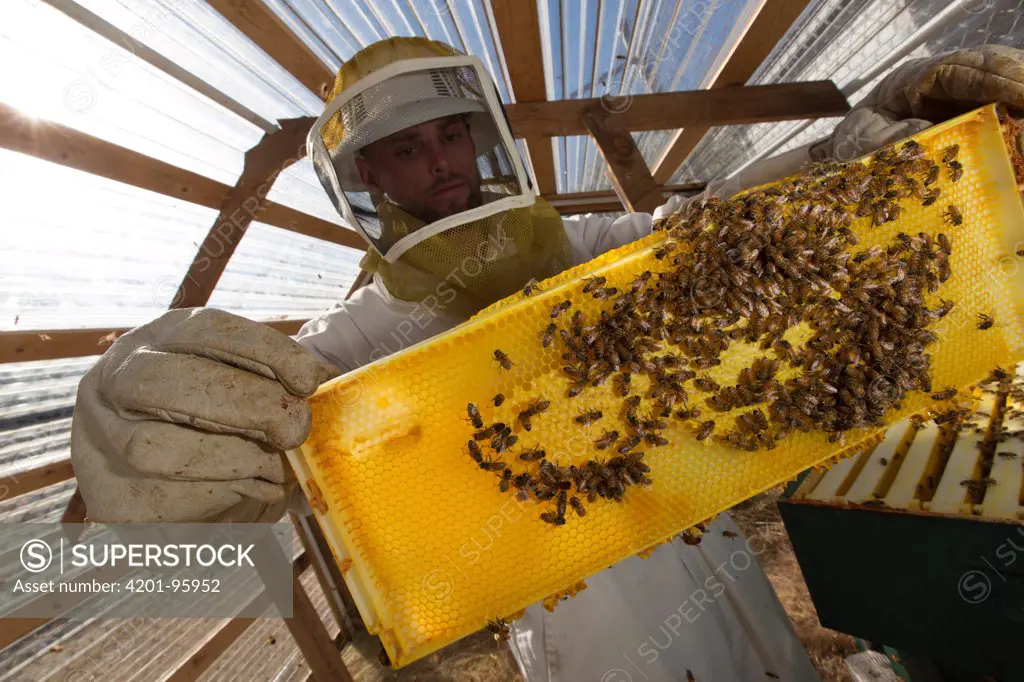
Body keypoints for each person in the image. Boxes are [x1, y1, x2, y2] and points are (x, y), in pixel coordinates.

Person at [70, 38, 1024, 681]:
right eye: (406, 150)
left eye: (453, 134)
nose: (441, 162)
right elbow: (160, 552)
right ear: (368, 179)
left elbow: (714, 236)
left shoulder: (591, 247)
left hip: (717, 570)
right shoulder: (352, 345)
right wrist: (131, 427)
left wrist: (857, 157)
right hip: (570, 637)